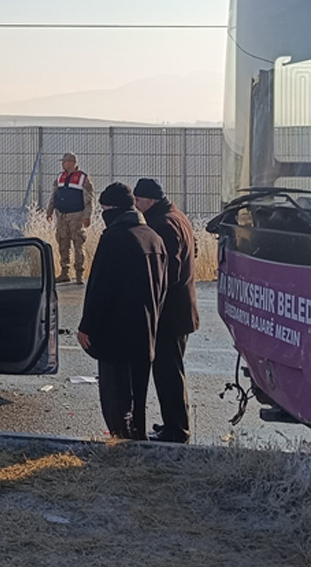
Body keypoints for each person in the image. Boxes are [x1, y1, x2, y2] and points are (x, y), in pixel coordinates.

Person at [76, 183, 167, 440]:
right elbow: (162, 288)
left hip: (115, 334)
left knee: (116, 398)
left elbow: (100, 288)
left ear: (113, 209)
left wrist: (87, 326)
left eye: (105, 209)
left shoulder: (114, 239)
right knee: (138, 396)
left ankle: (122, 441)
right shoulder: (153, 238)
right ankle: (137, 439)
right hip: (145, 331)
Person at [133, 178, 199, 443]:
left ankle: (177, 430)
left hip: (169, 313)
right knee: (169, 371)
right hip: (179, 310)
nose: (136, 206)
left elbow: (165, 272)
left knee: (168, 373)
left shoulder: (164, 225)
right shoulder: (176, 216)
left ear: (149, 200)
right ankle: (173, 423)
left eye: (138, 200)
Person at [45, 152, 95, 284]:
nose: (63, 164)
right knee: (63, 243)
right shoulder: (60, 177)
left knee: (78, 243)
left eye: (65, 162)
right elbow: (54, 195)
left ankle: (79, 274)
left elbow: (88, 199)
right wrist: (49, 211)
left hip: (76, 216)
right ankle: (64, 272)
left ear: (72, 163)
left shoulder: (83, 178)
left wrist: (87, 216)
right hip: (61, 215)